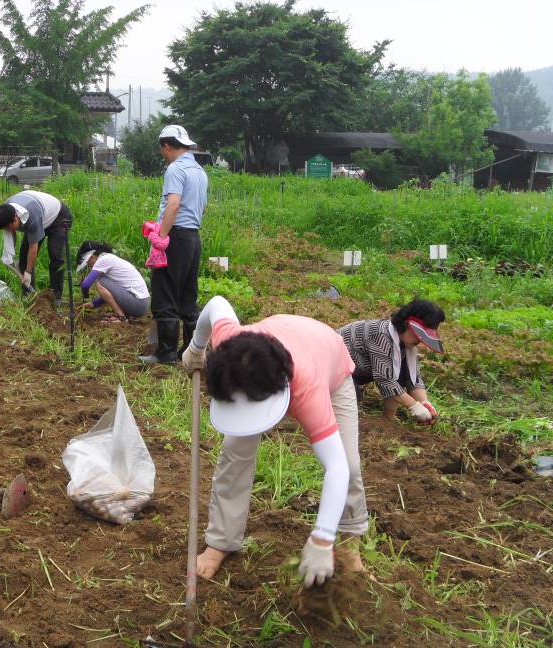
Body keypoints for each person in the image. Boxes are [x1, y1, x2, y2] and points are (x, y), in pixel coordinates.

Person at [182, 296, 368, 587]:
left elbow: (337, 467)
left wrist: (322, 537)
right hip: (276, 344)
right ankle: (221, 541)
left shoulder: (308, 390)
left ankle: (349, 541)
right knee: (235, 454)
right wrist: (197, 346)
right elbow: (217, 303)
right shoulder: (230, 342)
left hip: (328, 359)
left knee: (350, 464)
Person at [138, 125, 208, 364]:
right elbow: (202, 207)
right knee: (188, 297)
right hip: (192, 238)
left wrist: (161, 238)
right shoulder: (199, 171)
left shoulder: (175, 169)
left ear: (167, 146)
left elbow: (173, 204)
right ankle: (189, 352)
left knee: (165, 294)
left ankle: (166, 353)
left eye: (162, 150)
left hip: (174, 238)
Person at [339, 300, 445, 424]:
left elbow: (413, 378)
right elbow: (386, 380)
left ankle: (388, 420)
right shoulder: (380, 335)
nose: (420, 340)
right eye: (419, 334)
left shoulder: (405, 345)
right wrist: (414, 407)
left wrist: (425, 404)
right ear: (406, 324)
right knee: (348, 406)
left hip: (354, 373)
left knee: (399, 373)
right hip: (333, 370)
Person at [0, 189, 73, 306]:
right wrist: (12, 259)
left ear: (16, 217)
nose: (9, 231)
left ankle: (57, 297)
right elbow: (11, 237)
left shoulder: (31, 218)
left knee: (56, 256)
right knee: (24, 257)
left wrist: (28, 272)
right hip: (41, 215)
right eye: (6, 229)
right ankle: (30, 297)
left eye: (10, 227)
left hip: (58, 218)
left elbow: (33, 248)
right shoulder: (4, 213)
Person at [75, 241, 150, 322]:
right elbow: (111, 293)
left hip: (138, 304)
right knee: (101, 282)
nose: (89, 266)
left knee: (100, 282)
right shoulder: (109, 258)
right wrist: (92, 304)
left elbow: (85, 285)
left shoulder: (102, 260)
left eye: (87, 263)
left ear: (92, 257)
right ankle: (122, 315)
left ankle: (121, 317)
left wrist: (85, 297)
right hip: (142, 304)